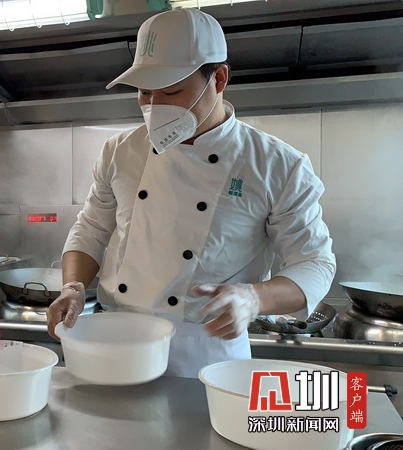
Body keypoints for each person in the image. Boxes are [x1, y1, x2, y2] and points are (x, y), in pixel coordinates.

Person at [46, 8, 336, 377]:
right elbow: (91, 229)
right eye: (144, 92)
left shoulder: (277, 165)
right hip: (118, 342)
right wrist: (72, 286)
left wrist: (253, 298)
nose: (155, 107)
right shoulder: (120, 151)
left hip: (208, 354)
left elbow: (315, 264)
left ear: (219, 78)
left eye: (171, 91)